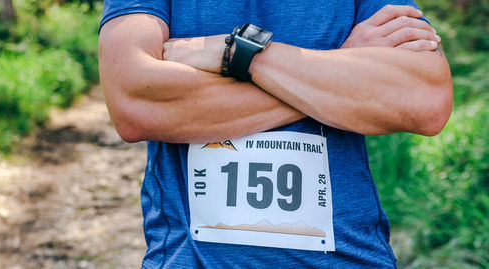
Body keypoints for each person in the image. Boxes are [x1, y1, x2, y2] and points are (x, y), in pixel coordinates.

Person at [98, 0, 452, 268]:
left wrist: (240, 52)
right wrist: (340, 67)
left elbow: (425, 100)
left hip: (348, 257)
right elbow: (135, 103)